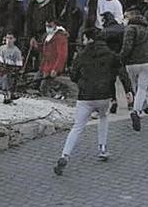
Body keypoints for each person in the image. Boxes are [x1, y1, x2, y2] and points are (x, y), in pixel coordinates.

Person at [54, 28, 130, 175]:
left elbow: (73, 76)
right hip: (104, 95)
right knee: (103, 117)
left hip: (85, 96)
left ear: (89, 39)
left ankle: (65, 155)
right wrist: (128, 90)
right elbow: (122, 73)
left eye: (84, 38)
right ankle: (102, 148)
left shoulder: (82, 55)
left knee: (77, 127)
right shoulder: (111, 55)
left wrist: (82, 81)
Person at [120, 9, 148, 131]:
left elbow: (127, 46)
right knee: (142, 88)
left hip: (132, 63)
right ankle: (139, 109)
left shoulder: (131, 28)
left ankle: (137, 109)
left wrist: (121, 59)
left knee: (135, 87)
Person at [31, 18, 68, 98]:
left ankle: (52, 99)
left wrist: (56, 69)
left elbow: (62, 55)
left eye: (50, 26)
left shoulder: (60, 37)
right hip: (44, 65)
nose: (48, 28)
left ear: (55, 25)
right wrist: (36, 46)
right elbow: (44, 50)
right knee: (35, 82)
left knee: (44, 87)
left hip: (52, 66)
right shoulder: (47, 36)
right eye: (46, 25)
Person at [25, 0, 56, 71]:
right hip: (33, 31)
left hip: (43, 33)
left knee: (42, 51)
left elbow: (51, 20)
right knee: (29, 49)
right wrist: (31, 36)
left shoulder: (49, 7)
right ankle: (29, 67)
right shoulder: (33, 6)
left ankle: (40, 67)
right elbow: (29, 20)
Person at [0, 33, 23, 104]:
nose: (9, 40)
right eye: (7, 38)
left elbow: (18, 66)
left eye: (10, 38)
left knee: (6, 86)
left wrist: (11, 73)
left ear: (14, 39)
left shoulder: (17, 51)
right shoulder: (2, 48)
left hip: (10, 71)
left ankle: (8, 98)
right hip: (1, 70)